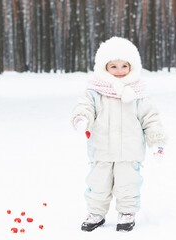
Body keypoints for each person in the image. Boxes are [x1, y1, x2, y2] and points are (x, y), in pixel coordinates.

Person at [71, 37, 166, 232]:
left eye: (124, 65)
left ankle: (126, 211)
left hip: (129, 153)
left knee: (128, 184)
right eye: (113, 66)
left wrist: (156, 141)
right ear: (103, 68)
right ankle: (96, 212)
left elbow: (151, 119)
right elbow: (85, 107)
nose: (120, 70)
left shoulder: (138, 94)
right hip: (101, 151)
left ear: (133, 66)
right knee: (98, 184)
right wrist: (82, 118)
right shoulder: (95, 92)